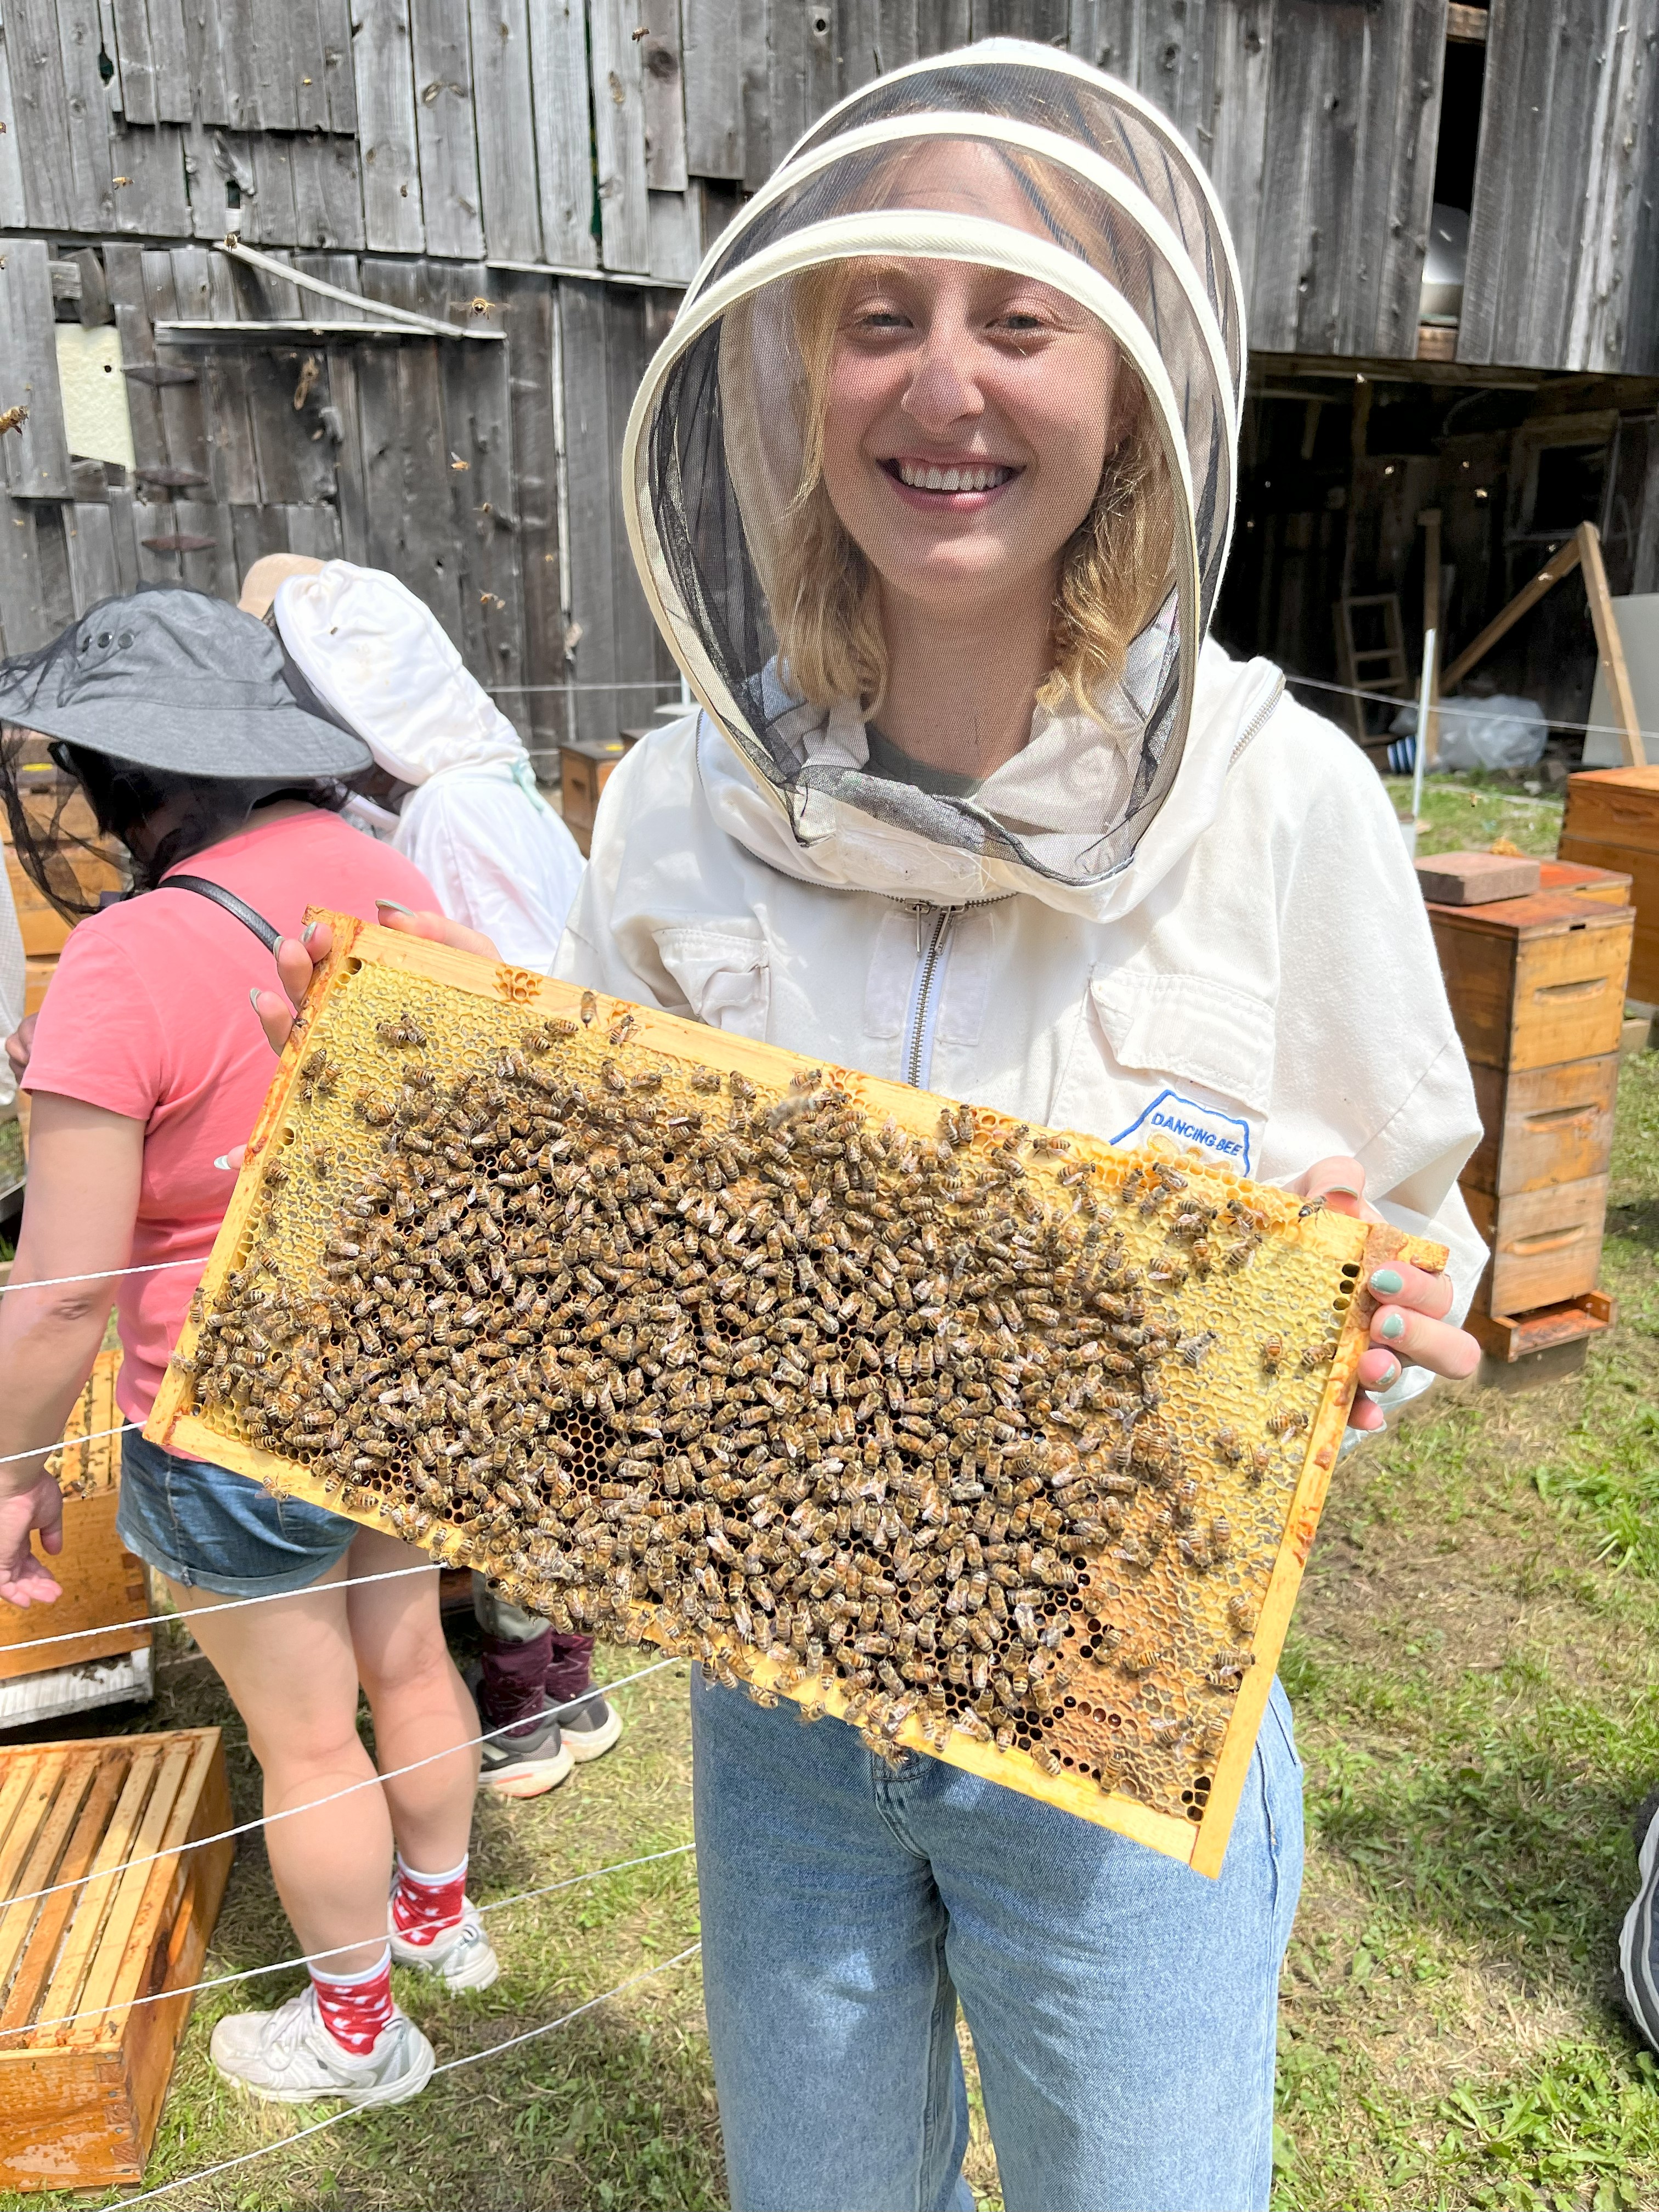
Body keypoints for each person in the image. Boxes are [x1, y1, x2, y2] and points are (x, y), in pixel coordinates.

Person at [255, 42, 1487, 2210]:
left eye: (1017, 318)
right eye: (883, 315)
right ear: (798, 370)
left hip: (1116, 1720)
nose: (948, 383)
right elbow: (610, 1310)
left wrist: (1366, 1312)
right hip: (782, 1732)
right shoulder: (671, 817)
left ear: (1122, 383)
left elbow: (1402, 1235)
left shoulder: (1277, 802)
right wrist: (401, 1157)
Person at [0, 586, 492, 2111]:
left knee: (302, 1734)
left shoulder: (123, 960)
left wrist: (14, 1469)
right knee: (408, 1654)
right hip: (399, 1375)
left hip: (226, 1412)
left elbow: (67, 1289)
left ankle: (356, 2032)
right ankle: (443, 1921)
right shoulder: (381, 869)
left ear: (135, 778)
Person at [257, 554, 619, 1797]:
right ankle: (563, 1673)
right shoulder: (463, 792)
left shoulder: (460, 813)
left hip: (521, 1168)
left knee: (515, 1441)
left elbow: (515, 1005)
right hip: (539, 1164)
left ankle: (529, 1697)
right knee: (555, 1435)